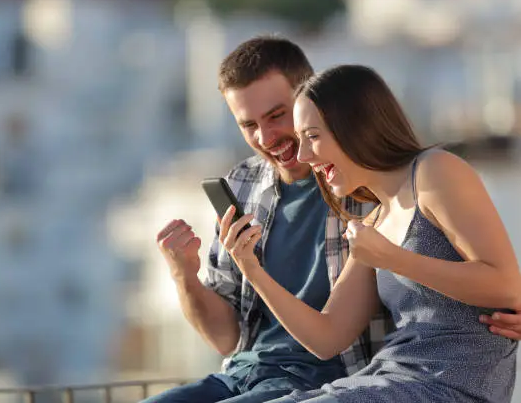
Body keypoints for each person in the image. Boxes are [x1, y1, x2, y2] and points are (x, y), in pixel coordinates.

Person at [219, 64, 521, 402]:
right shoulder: (376, 220)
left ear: (355, 127)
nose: (304, 155)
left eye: (313, 136)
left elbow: (507, 288)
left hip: (451, 384)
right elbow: (327, 337)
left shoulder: (434, 172)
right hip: (389, 378)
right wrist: (251, 269)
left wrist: (393, 258)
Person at [147, 37, 387, 403]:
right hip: (244, 374)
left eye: (277, 115)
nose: (266, 137)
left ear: (310, 98)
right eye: (249, 125)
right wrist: (184, 275)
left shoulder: (362, 179)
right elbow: (227, 339)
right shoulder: (242, 184)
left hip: (328, 381)